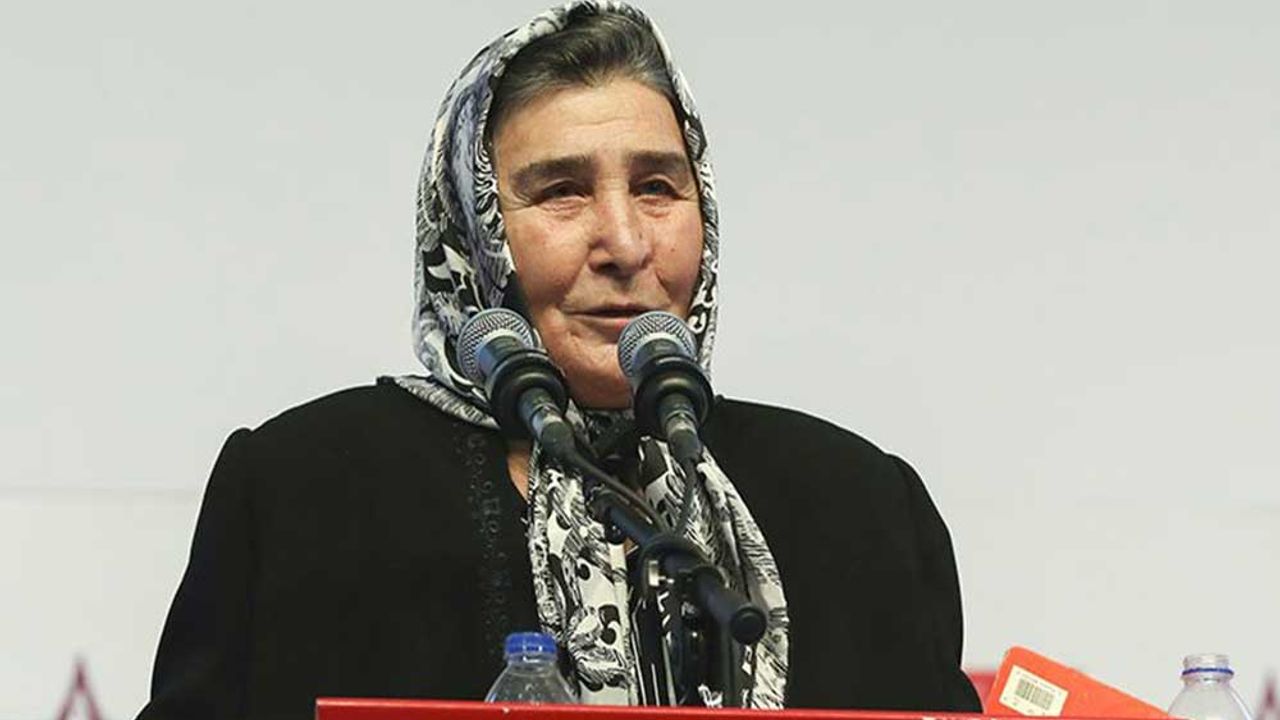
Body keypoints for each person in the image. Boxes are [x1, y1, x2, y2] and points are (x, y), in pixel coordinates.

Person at [137, 2, 981, 718]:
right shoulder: (303, 490)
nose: (625, 242)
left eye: (657, 187)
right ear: (472, 229)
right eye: (561, 192)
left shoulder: (861, 508)